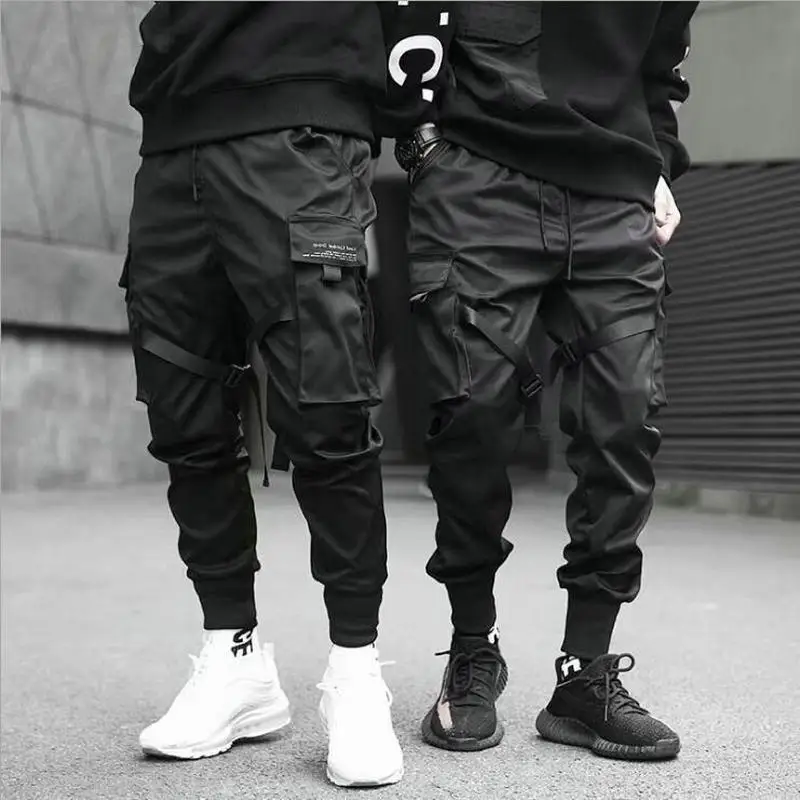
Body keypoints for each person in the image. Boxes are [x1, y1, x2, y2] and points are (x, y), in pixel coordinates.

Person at [120, 1, 436, 786]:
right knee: (183, 410)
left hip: (304, 115)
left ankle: (355, 670)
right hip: (172, 129)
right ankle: (234, 658)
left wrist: (414, 104)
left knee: (327, 406)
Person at [389, 1, 698, 759]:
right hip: (477, 172)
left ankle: (583, 674)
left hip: (613, 187)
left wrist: (657, 158)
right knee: (469, 413)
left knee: (624, 417)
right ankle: (473, 647)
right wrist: (420, 132)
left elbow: (660, 64)